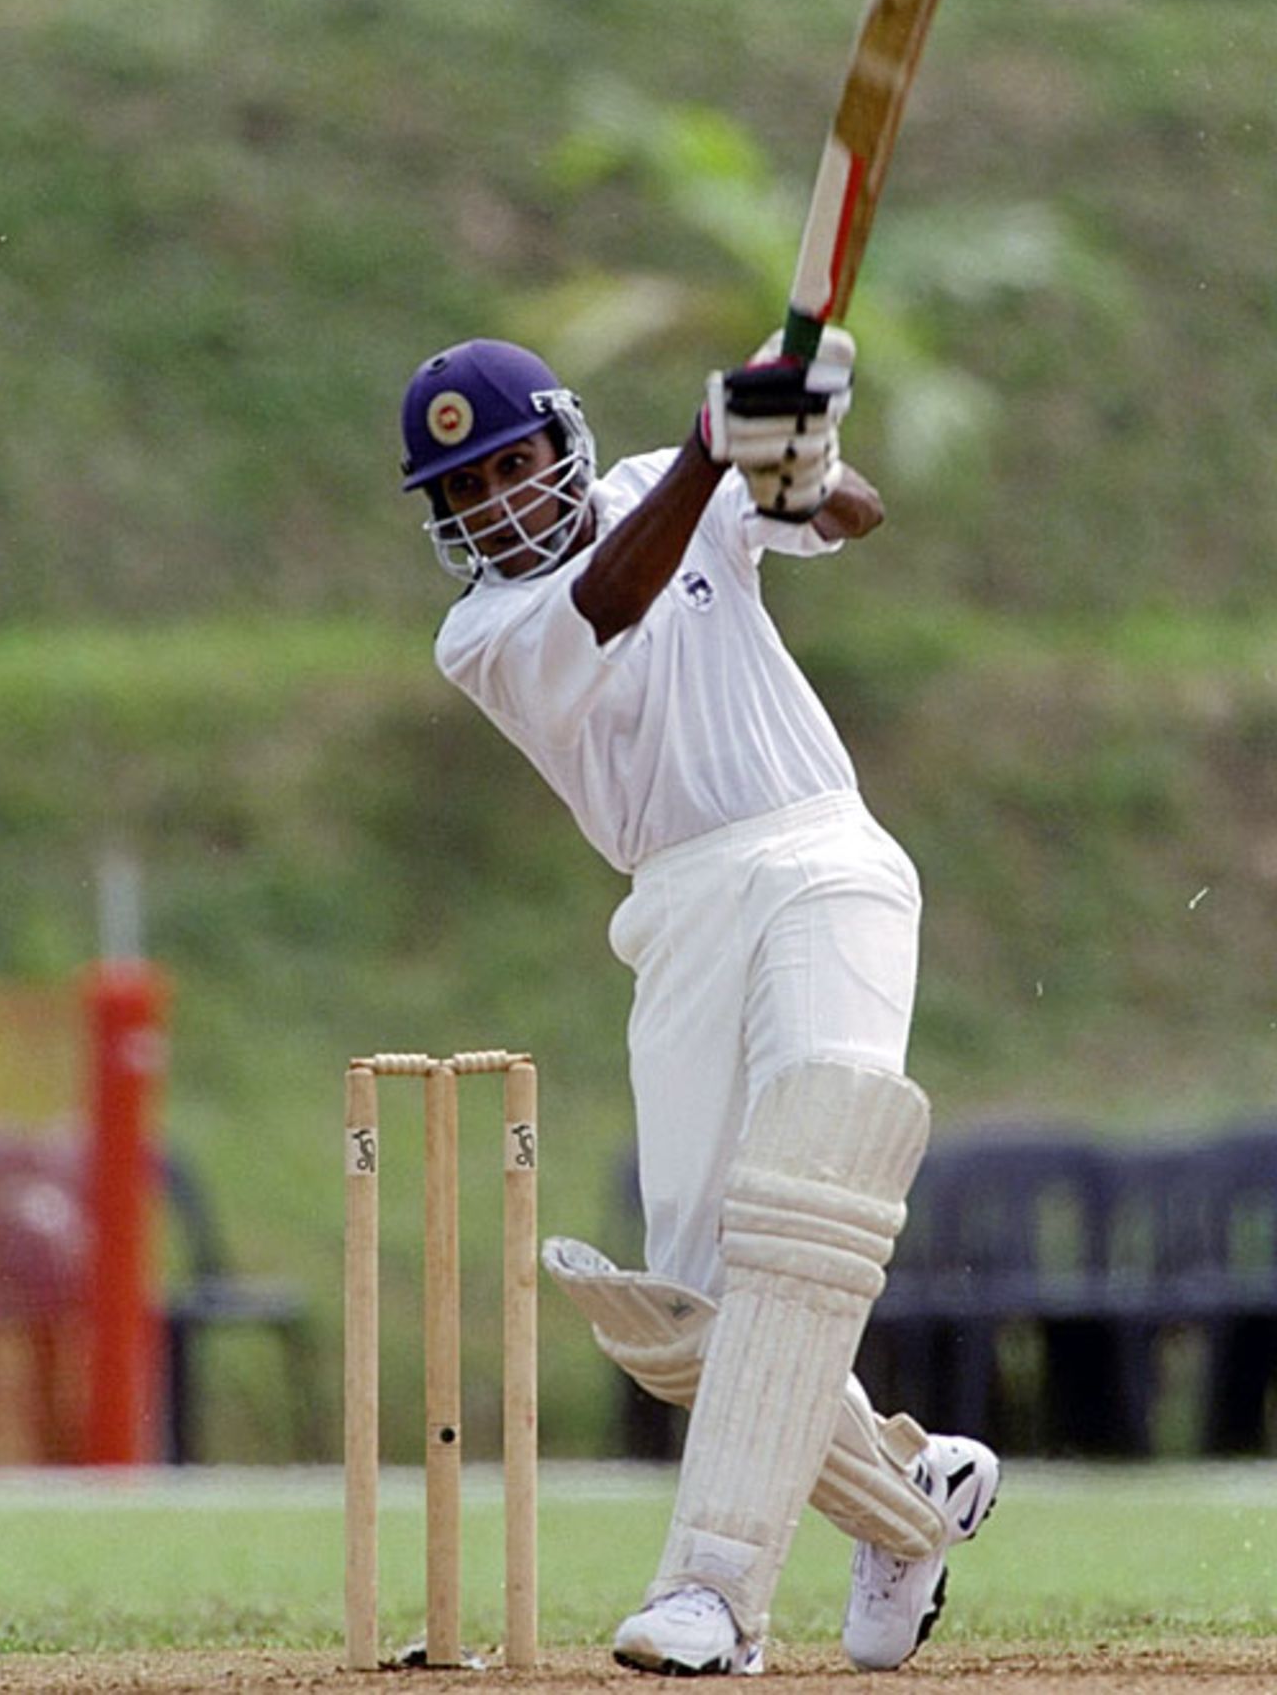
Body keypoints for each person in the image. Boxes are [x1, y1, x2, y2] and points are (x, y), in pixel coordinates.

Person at [398, 334, 999, 1675]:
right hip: (675, 911)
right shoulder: (481, 633)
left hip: (822, 855)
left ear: (562, 441)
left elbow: (844, 516)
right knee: (680, 1316)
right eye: (464, 491)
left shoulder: (663, 479)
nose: (497, 500)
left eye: (510, 464)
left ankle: (713, 1594)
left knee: (811, 1189)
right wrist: (716, 447)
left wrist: (798, 453)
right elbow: (612, 600)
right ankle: (912, 1505)